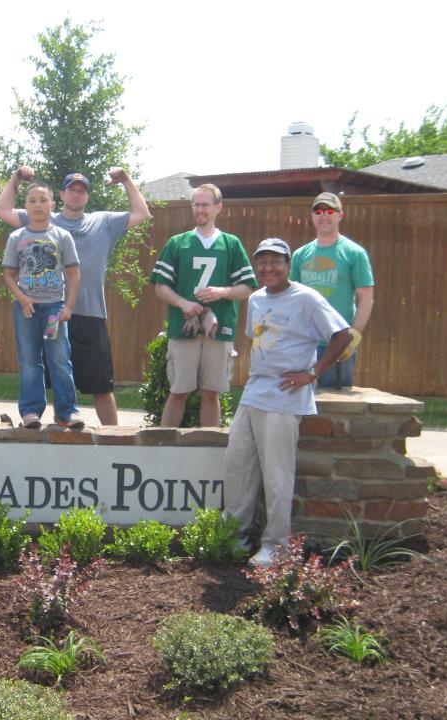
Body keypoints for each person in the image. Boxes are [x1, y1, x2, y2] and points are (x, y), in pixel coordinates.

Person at [225, 238, 352, 567]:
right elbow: (258, 341)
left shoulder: (307, 299)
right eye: (262, 262)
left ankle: (276, 545)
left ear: (288, 264)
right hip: (255, 390)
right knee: (239, 465)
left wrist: (313, 373)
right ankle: (235, 537)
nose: (268, 268)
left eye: (276, 261)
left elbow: (343, 335)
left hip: (285, 396)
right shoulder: (255, 299)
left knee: (277, 473)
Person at [0, 165, 151, 425]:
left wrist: (125, 179)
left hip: (88, 315)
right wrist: (17, 178)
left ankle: (114, 441)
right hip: (52, 315)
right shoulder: (43, 217)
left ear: (87, 197)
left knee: (102, 385)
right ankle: (62, 434)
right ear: (62, 195)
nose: (76, 195)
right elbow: (3, 210)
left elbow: (142, 213)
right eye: (72, 190)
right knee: (56, 371)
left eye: (82, 191)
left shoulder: (104, 221)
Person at [150, 183, 256, 427]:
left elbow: (247, 288)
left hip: (219, 330)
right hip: (183, 328)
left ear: (218, 207)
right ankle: (164, 448)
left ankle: (208, 449)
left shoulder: (231, 244)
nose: (200, 209)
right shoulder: (178, 243)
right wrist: (183, 302)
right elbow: (160, 287)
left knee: (211, 393)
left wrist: (222, 292)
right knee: (178, 392)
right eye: (196, 204)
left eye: (205, 204)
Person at [2, 182, 83, 430]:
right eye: (33, 200)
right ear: (26, 206)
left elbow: (73, 274)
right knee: (29, 361)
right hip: (27, 311)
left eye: (43, 200)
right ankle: (30, 411)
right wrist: (22, 298)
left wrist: (67, 307)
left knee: (58, 359)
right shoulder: (17, 237)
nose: (38, 204)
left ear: (52, 205)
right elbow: (8, 274)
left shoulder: (61, 236)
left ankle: (67, 412)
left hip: (52, 312)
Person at [290, 192, 374, 387]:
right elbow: (291, 298)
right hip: (305, 343)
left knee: (336, 409)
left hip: (337, 344)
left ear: (340, 216)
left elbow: (366, 296)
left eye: (330, 210)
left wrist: (355, 334)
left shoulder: (355, 253)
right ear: (312, 217)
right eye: (318, 211)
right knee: (299, 405)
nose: (324, 215)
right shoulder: (300, 254)